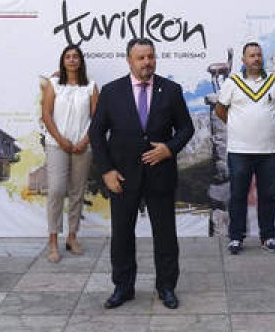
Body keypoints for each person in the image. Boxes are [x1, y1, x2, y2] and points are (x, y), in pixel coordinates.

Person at [89, 37, 194, 310]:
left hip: (160, 175)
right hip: (122, 177)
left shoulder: (171, 90)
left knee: (165, 235)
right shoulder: (112, 92)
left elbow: (186, 129)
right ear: (129, 61)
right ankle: (123, 288)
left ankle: (167, 287)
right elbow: (96, 134)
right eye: (141, 58)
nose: (147, 62)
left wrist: (169, 149)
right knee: (122, 234)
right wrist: (107, 171)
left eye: (151, 56)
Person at [215, 42, 275, 255]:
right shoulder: (233, 82)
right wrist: (240, 126)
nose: (256, 59)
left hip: (268, 151)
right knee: (238, 195)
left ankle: (268, 237)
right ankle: (236, 238)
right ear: (243, 60)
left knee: (267, 196)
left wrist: (270, 124)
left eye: (259, 55)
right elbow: (221, 110)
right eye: (251, 55)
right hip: (239, 150)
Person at [40, 45, 98, 263]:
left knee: (77, 192)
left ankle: (72, 237)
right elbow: (46, 114)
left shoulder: (91, 87)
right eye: (68, 57)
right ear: (63, 61)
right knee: (56, 190)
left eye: (76, 57)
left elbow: (97, 118)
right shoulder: (54, 84)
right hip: (57, 145)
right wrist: (61, 140)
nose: (72, 60)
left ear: (81, 61)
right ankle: (53, 240)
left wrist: (85, 140)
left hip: (83, 146)